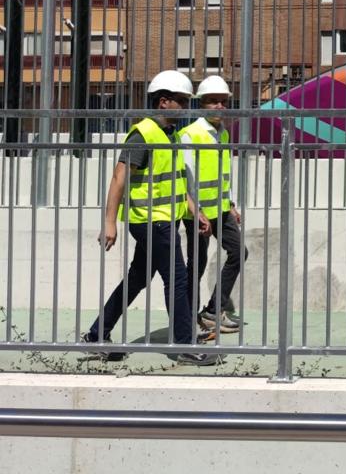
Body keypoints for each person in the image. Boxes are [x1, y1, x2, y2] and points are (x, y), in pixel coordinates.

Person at [82, 70, 219, 366]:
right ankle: (184, 345)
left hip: (162, 219)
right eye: (181, 101)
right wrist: (109, 222)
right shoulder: (142, 134)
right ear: (163, 102)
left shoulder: (169, 136)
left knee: (136, 280)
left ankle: (96, 335)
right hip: (151, 222)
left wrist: (196, 211)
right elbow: (119, 177)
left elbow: (173, 182)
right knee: (178, 279)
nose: (185, 108)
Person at [179, 75, 248, 336]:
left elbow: (221, 174)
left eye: (223, 101)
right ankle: (188, 319)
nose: (219, 106)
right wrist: (197, 212)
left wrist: (229, 204)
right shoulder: (190, 134)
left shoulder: (223, 133)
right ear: (201, 105)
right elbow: (186, 178)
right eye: (212, 102)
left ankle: (212, 311)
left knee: (239, 252)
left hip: (220, 209)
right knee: (196, 264)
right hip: (198, 213)